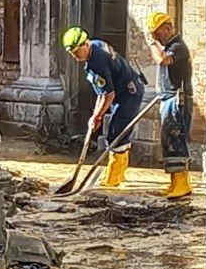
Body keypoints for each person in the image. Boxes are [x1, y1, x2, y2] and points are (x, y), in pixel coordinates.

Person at [61, 26, 146, 188]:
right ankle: (118, 172)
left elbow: (108, 94)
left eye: (76, 52)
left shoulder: (96, 63)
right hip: (122, 92)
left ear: (85, 44)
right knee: (117, 131)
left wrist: (96, 116)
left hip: (128, 93)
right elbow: (102, 93)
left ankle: (115, 176)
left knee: (116, 134)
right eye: (71, 54)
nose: (74, 57)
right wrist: (96, 115)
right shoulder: (96, 44)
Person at [142, 11, 192, 199]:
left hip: (177, 100)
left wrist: (153, 44)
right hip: (167, 98)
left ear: (168, 28)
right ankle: (175, 183)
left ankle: (182, 183)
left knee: (176, 140)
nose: (156, 37)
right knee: (168, 141)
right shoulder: (170, 46)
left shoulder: (178, 47)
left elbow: (163, 60)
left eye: (158, 33)